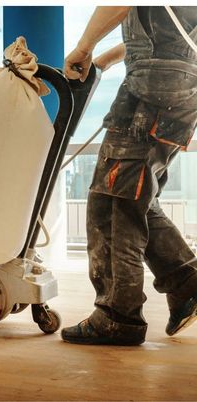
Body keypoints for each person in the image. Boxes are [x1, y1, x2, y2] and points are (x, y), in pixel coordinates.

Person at [61, 6, 197, 345]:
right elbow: (166, 26)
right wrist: (105, 58)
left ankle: (117, 315)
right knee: (136, 197)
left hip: (152, 89)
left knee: (110, 202)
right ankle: (187, 284)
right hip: (178, 86)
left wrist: (84, 47)